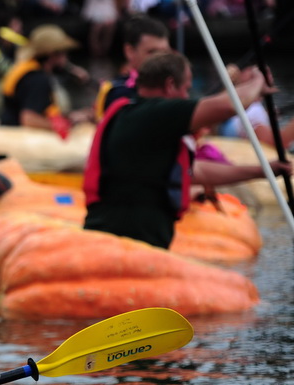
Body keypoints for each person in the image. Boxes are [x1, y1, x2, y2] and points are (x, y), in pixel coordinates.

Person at [83, 51, 292, 249]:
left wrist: (262, 170)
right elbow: (229, 105)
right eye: (186, 88)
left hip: (133, 239)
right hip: (123, 240)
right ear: (170, 85)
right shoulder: (155, 113)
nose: (186, 96)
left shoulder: (138, 116)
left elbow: (196, 171)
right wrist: (257, 81)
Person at [0, 24, 93, 137]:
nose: (66, 59)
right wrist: (67, 124)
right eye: (64, 53)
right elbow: (29, 119)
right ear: (53, 55)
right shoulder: (38, 79)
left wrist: (71, 116)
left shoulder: (32, 72)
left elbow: (42, 109)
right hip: (18, 134)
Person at [94, 15, 170, 121]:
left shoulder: (174, 86)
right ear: (129, 51)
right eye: (152, 52)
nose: (160, 59)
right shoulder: (118, 93)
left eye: (165, 53)